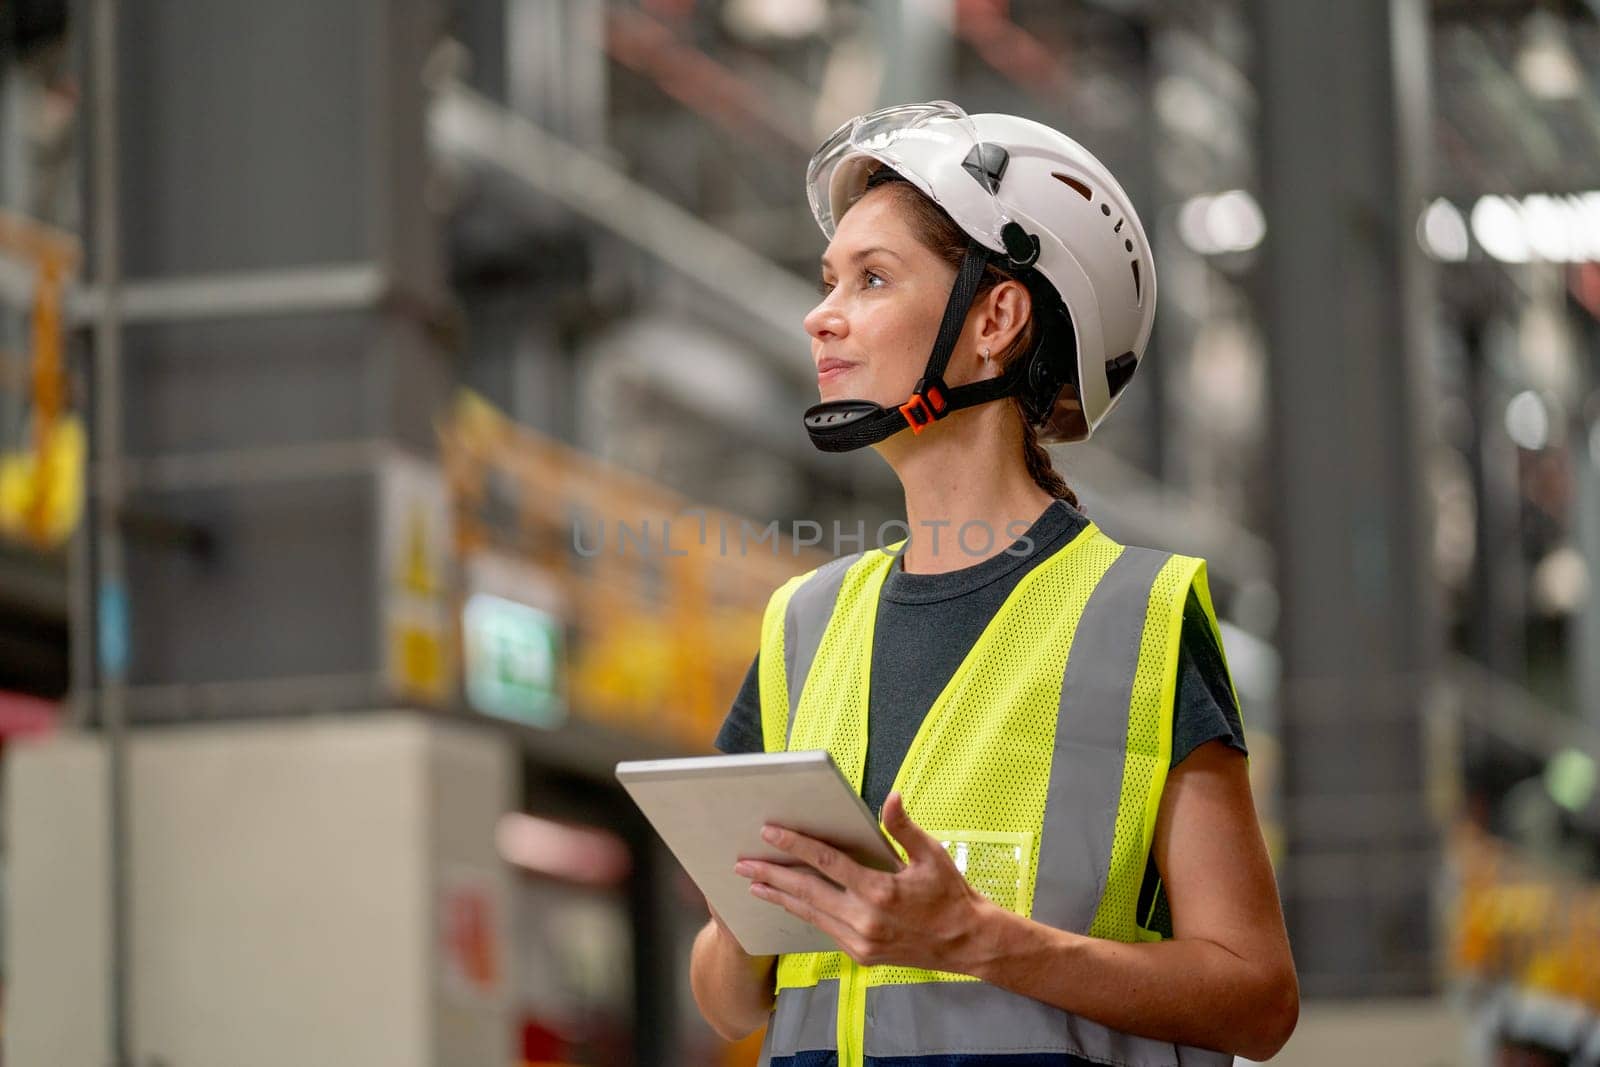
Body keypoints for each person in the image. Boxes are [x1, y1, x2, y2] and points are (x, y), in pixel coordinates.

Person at [689, 101, 1298, 1066]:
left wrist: (974, 938)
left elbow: (1257, 999)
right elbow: (727, 1003)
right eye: (828, 280)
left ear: (996, 317)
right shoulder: (805, 623)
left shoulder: (1132, 618)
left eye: (872, 278)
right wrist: (757, 916)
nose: (821, 313)